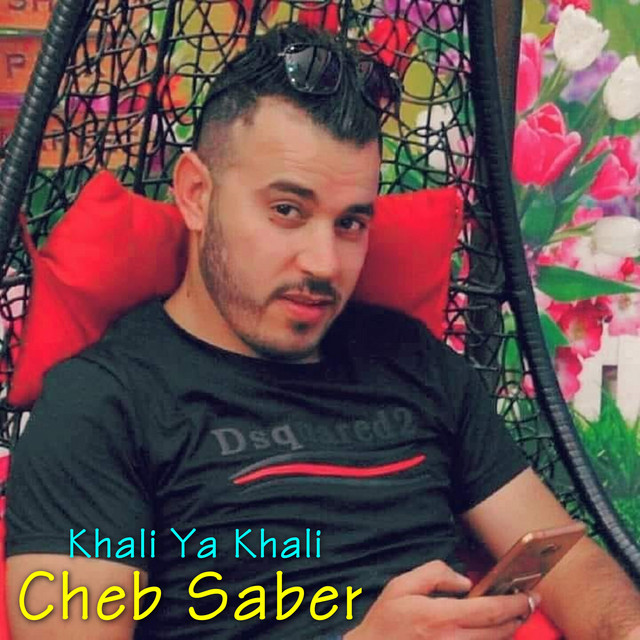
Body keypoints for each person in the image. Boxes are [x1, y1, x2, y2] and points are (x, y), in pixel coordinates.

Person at [5, 22, 640, 640]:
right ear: (196, 193)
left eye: (350, 223)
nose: (324, 264)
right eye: (287, 210)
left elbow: (569, 563)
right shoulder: (101, 407)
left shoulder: (411, 360)